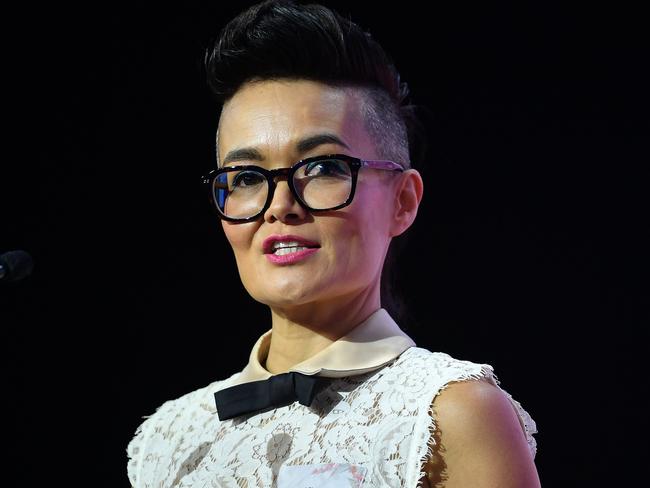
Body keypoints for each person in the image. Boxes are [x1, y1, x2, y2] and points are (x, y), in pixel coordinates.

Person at [126, 1, 540, 486]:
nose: (280, 205)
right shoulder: (168, 438)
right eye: (245, 178)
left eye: (322, 167)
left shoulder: (448, 414)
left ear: (403, 201)